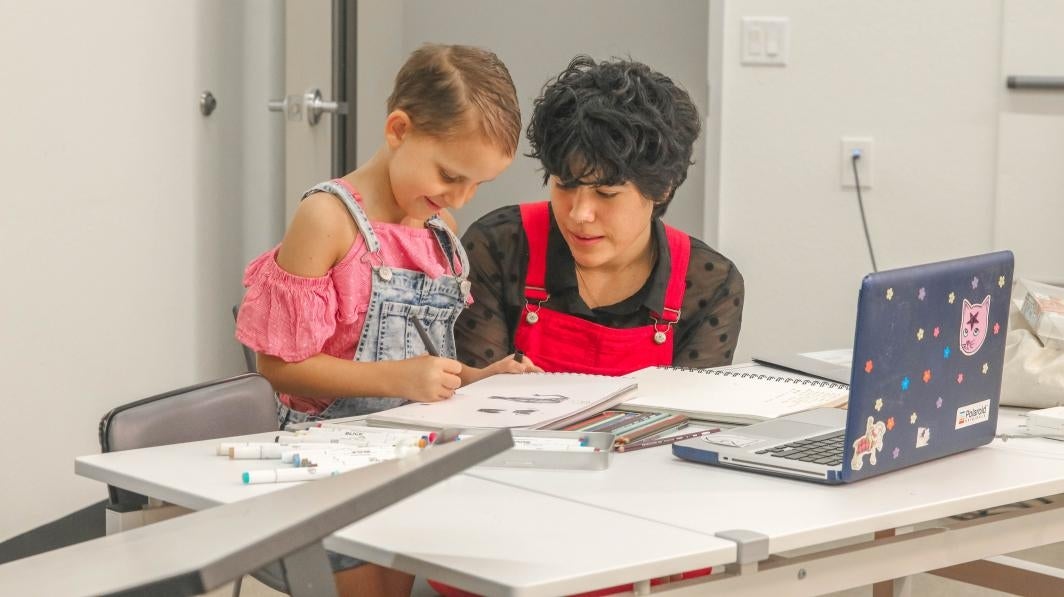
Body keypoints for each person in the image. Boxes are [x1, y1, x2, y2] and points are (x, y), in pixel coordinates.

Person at [235, 43, 539, 597]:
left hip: (408, 450)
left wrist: (476, 379)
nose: (462, 199)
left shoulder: (437, 227)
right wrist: (399, 380)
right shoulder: (326, 219)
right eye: (450, 175)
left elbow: (426, 366)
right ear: (398, 129)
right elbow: (278, 366)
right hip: (328, 458)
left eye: (479, 185)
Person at [456, 55, 744, 377]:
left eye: (606, 194)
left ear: (662, 189)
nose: (579, 214)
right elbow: (475, 405)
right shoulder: (498, 246)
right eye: (564, 185)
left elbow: (689, 419)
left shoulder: (709, 285)